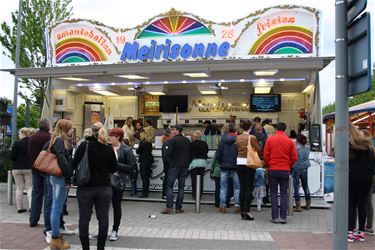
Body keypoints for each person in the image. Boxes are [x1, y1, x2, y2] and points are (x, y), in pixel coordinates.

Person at [73, 122, 118, 250]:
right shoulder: (108, 148)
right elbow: (113, 168)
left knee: (84, 218)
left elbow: (74, 163)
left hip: (85, 187)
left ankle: (85, 248)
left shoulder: (84, 145)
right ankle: (100, 248)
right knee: (103, 219)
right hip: (104, 187)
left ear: (92, 132)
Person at [263, 122, 297, 224]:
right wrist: (289, 166)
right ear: (285, 129)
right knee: (284, 193)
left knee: (273, 193)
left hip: (273, 169)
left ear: (276, 129)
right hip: (285, 170)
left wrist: (269, 165)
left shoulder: (270, 140)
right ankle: (283, 217)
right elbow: (294, 157)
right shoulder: (289, 141)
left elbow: (265, 155)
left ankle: (274, 217)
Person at [48, 119, 74, 249]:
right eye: (70, 128)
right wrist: (69, 177)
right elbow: (62, 160)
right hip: (60, 177)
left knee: (56, 207)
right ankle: (55, 238)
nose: (72, 130)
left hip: (55, 176)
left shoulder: (55, 139)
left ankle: (56, 237)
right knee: (57, 208)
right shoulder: (59, 141)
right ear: (65, 129)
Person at [108, 128, 137, 241]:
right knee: (103, 207)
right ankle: (102, 230)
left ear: (118, 137)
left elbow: (132, 166)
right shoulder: (106, 147)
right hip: (105, 180)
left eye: (111, 136)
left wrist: (116, 165)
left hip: (119, 181)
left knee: (116, 205)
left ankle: (115, 229)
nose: (109, 138)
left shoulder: (126, 150)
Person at [347, 123, 375, 242]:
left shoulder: (349, 144)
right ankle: (361, 232)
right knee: (362, 204)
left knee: (352, 204)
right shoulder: (366, 143)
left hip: (353, 176)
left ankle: (350, 231)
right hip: (367, 177)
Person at [28, 118, 52, 239]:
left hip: (35, 168)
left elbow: (29, 153)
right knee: (48, 196)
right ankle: (47, 222)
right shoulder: (50, 137)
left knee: (36, 194)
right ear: (47, 125)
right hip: (47, 169)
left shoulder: (32, 137)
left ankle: (33, 219)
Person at [161, 124, 190, 214]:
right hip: (184, 166)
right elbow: (190, 153)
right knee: (181, 187)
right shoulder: (187, 140)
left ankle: (169, 207)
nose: (172, 131)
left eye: (173, 129)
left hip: (174, 166)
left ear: (178, 131)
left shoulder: (172, 140)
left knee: (169, 186)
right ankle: (178, 207)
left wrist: (171, 162)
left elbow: (168, 154)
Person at [236, 120, 261, 220]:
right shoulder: (252, 137)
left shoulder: (238, 137)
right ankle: (247, 211)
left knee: (242, 187)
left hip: (239, 162)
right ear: (250, 127)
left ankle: (242, 211)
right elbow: (258, 150)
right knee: (248, 188)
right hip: (249, 163)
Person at [216, 123, 240, 213]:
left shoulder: (222, 139)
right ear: (235, 130)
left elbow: (218, 153)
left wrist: (220, 161)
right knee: (237, 187)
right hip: (235, 165)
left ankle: (222, 206)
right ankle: (237, 205)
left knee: (223, 187)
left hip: (224, 165)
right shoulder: (238, 139)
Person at [10, 127, 34, 213]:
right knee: (29, 187)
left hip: (16, 168)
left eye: (19, 134)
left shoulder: (16, 143)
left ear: (24, 134)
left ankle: (20, 208)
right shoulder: (31, 144)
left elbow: (12, 157)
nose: (18, 135)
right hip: (28, 168)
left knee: (19, 188)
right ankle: (31, 207)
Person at [292, 134, 311, 212]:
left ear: (297, 140)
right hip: (305, 168)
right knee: (305, 186)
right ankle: (308, 204)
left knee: (296, 187)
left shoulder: (296, 148)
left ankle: (298, 206)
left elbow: (293, 158)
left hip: (296, 168)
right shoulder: (308, 148)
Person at [362, 129, 375, 235]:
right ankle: (369, 224)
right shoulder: (372, 148)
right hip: (371, 176)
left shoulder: (367, 149)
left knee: (366, 201)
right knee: (368, 200)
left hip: (367, 176)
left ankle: (368, 225)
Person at [189, 130, 208, 200]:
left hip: (194, 163)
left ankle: (195, 194)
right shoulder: (204, 143)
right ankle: (200, 194)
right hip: (202, 163)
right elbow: (207, 151)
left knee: (194, 179)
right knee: (200, 179)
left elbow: (189, 154)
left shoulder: (191, 144)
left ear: (194, 137)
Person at [136, 130, 154, 198]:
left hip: (144, 161)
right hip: (149, 161)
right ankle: (146, 192)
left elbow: (138, 151)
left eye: (140, 135)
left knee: (144, 178)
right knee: (147, 177)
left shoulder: (142, 143)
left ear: (143, 135)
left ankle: (144, 194)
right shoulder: (149, 142)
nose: (140, 137)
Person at [161, 133, 171, 199]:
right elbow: (165, 156)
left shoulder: (169, 143)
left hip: (169, 165)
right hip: (168, 166)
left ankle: (167, 194)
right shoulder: (167, 144)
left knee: (168, 180)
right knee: (167, 180)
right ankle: (165, 194)